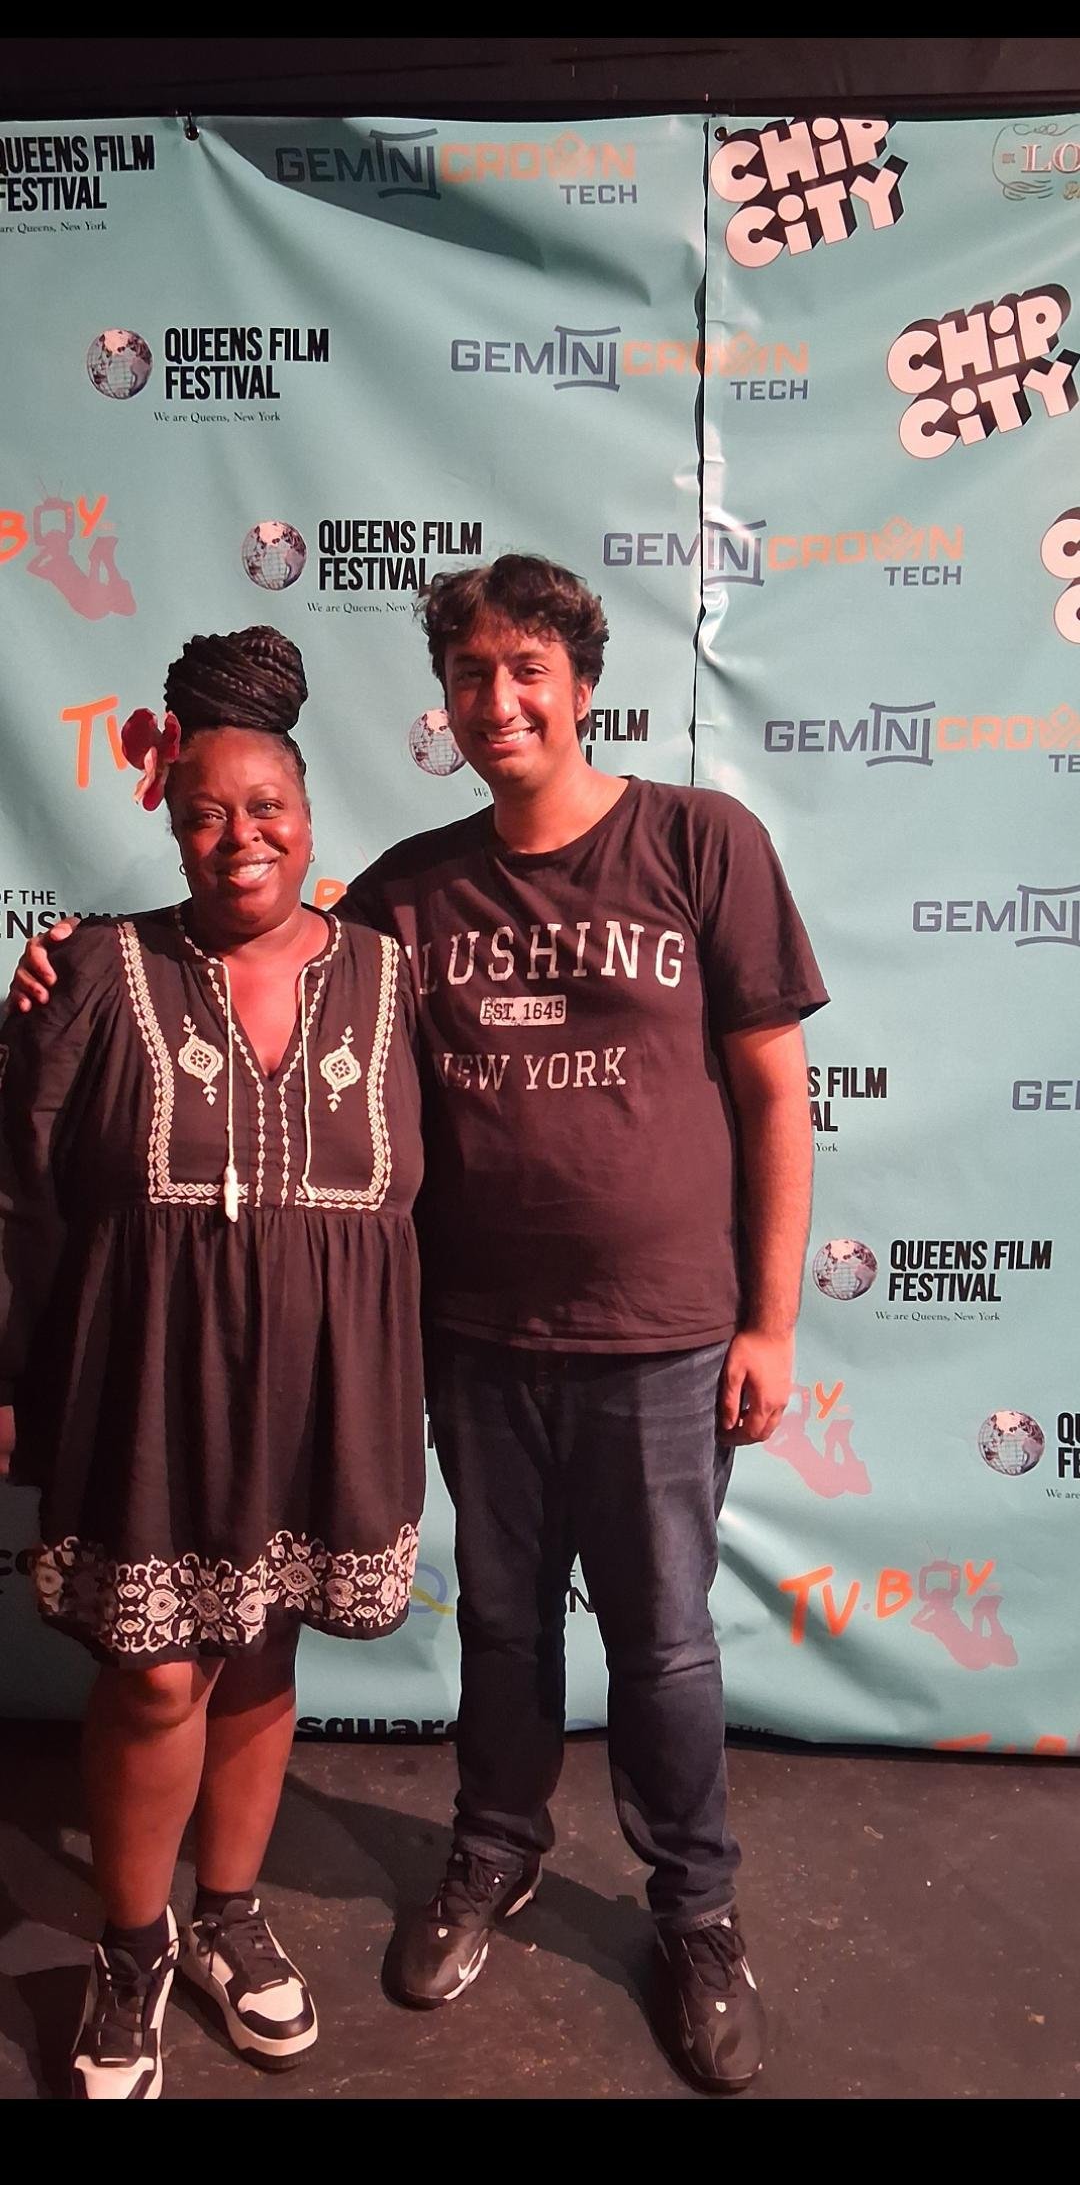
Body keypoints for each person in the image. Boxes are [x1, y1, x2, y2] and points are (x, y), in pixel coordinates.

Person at [14, 555, 827, 2097]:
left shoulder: (701, 843)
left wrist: (773, 1321)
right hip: (471, 1340)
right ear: (441, 707)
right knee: (504, 1636)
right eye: (470, 677)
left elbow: (778, 1091)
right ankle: (490, 1858)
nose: (499, 700)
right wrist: (60, 951)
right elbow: (229, 938)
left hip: (661, 1336)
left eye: (528, 670)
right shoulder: (404, 899)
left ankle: (697, 1915)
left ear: (584, 683)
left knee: (661, 1647)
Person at [0, 625, 425, 2100]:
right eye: (204, 815)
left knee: (261, 1656)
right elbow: (24, 1195)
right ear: (169, 819)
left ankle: (234, 1916)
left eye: (267, 814)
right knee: (156, 1676)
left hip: (328, 1385)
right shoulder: (97, 974)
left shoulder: (388, 976)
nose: (235, 840)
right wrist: (9, 1379)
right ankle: (133, 1946)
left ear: (312, 822)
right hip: (151, 1388)